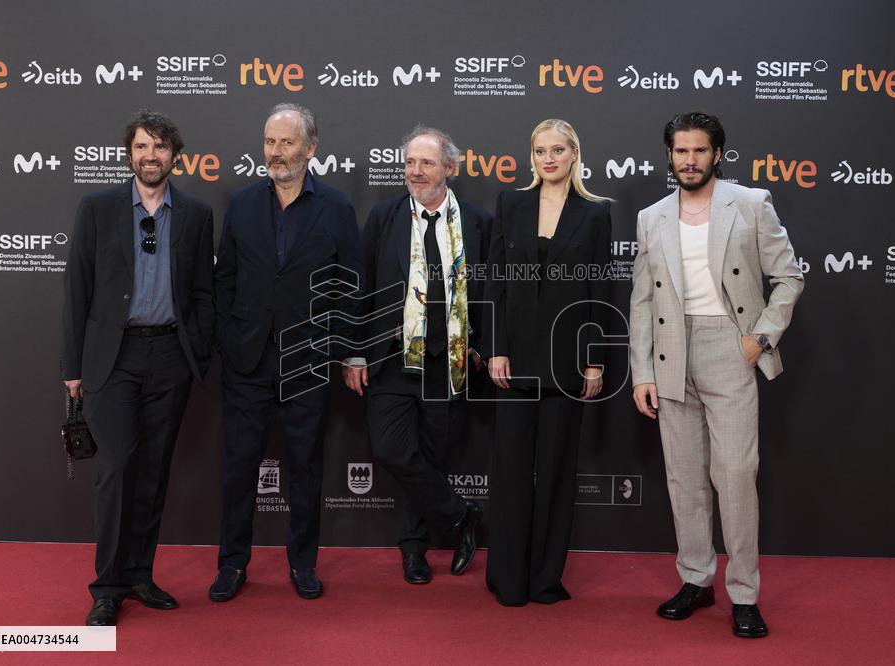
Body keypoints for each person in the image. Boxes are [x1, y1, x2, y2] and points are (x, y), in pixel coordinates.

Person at [629, 111, 804, 638]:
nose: (689, 160)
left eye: (699, 151)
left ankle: (744, 593)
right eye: (680, 151)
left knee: (734, 477)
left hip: (731, 347)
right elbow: (641, 300)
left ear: (717, 154)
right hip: (670, 352)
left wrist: (760, 337)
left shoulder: (750, 204)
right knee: (685, 479)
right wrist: (641, 371)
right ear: (669, 155)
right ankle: (696, 579)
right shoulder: (651, 216)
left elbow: (789, 277)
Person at [61, 109, 215, 626]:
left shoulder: (195, 214)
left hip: (171, 355)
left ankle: (140, 574)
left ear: (175, 155)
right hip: (113, 357)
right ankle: (106, 587)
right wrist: (72, 364)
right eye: (142, 147)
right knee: (118, 466)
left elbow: (202, 293)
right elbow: (77, 288)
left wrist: (201, 349)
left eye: (161, 147)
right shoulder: (98, 207)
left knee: (153, 471)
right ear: (129, 154)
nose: (151, 156)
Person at [210, 103, 363, 602]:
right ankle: (232, 564)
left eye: (287, 143)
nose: (276, 153)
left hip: (308, 361)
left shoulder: (337, 208)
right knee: (238, 468)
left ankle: (303, 563)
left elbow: (350, 286)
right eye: (270, 142)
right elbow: (225, 277)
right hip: (247, 360)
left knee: (305, 467)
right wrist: (230, 341)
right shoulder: (242, 203)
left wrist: (340, 350)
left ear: (311, 148)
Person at [342, 126, 489, 585]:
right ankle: (461, 514)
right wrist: (355, 353)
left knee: (431, 455)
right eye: (409, 163)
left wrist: (484, 345)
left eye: (426, 163)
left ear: (450, 168)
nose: (416, 172)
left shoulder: (477, 221)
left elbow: (493, 290)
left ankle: (414, 550)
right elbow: (360, 287)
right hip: (391, 357)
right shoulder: (384, 218)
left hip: (449, 363)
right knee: (392, 450)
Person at [481, 118, 612, 606]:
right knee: (512, 473)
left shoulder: (595, 214)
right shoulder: (510, 203)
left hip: (567, 361)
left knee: (556, 474)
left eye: (558, 150)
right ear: (531, 157)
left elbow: (600, 289)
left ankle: (544, 581)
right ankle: (508, 580)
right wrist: (495, 347)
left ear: (575, 154)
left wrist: (595, 361)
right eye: (540, 151)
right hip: (513, 361)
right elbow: (493, 282)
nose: (549, 159)